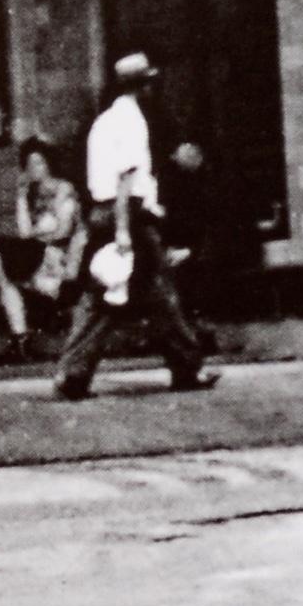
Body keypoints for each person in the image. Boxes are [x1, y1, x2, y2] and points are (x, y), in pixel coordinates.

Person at [51, 53, 210, 398]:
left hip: (102, 211)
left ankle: (73, 373)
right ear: (144, 86)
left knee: (104, 295)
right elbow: (126, 178)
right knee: (160, 292)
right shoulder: (132, 121)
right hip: (129, 216)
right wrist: (124, 229)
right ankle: (187, 366)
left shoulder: (104, 121)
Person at [0, 136, 85, 356]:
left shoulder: (64, 189)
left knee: (1, 249)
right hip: (37, 256)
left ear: (49, 163)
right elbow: (26, 233)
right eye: (30, 164)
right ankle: (20, 336)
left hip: (57, 257)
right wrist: (22, 198)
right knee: (5, 273)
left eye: (39, 162)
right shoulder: (32, 195)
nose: (35, 169)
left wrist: (38, 235)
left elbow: (62, 230)